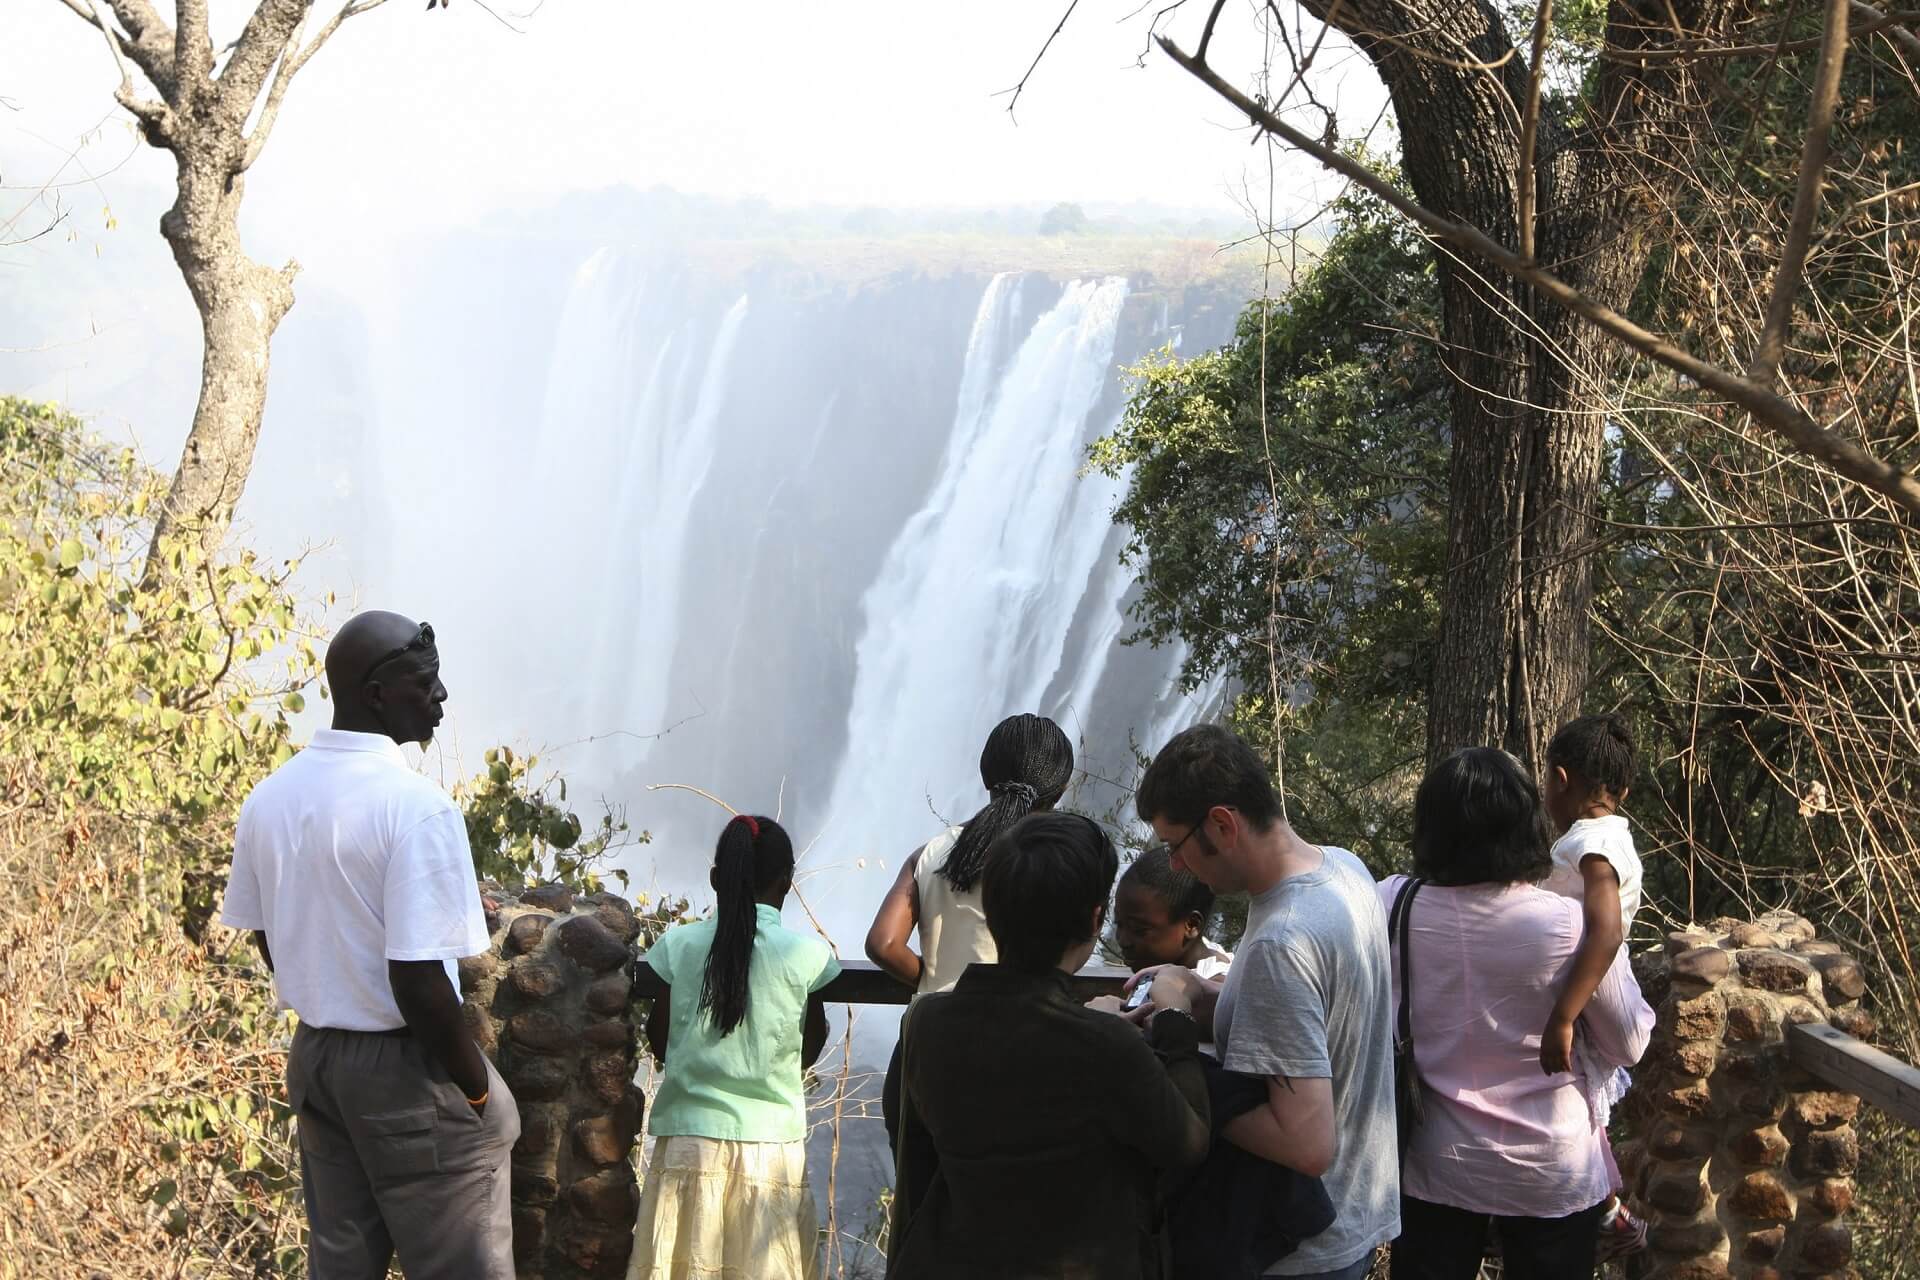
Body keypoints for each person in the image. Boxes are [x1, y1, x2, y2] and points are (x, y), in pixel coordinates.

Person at [219, 611, 521, 1280]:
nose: (441, 697)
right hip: (407, 1073)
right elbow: (417, 980)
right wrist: (476, 1094)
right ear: (377, 695)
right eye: (426, 683)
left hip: (319, 1059)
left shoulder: (269, 800)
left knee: (342, 1267)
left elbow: (269, 932)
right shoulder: (416, 807)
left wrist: (330, 989)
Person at [1127, 723, 1398, 1280]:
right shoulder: (1343, 869)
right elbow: (1315, 1008)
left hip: (1298, 1252)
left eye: (1175, 846)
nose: (1176, 867)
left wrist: (1175, 1051)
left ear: (1222, 824)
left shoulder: (1283, 940)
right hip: (1358, 1214)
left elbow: (1305, 1144)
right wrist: (1206, 994)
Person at [887, 812, 1211, 1279]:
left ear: (994, 911)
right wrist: (1176, 1015)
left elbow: (919, 1152)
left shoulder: (925, 1022)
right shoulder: (1108, 1045)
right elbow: (1188, 1143)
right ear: (1095, 917)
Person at [1382, 747, 1654, 1280]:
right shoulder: (1573, 926)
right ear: (1528, 822)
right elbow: (1629, 1043)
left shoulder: (1394, 903)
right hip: (1552, 1169)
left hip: (1435, 1161)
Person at [630, 814, 839, 1280]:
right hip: (770, 1153)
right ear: (787, 883)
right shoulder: (807, 957)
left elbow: (660, 1036)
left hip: (687, 1146)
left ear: (714, 880)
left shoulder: (678, 945)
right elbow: (811, 1043)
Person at [864, 712, 1074, 1150]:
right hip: (1018, 1049)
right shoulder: (1054, 860)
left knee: (919, 1207)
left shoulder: (932, 852)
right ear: (1060, 789)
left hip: (926, 1049)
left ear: (986, 774)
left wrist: (931, 978)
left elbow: (882, 945)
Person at [1537, 713, 1647, 1257]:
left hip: (1596, 977)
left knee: (1581, 1091)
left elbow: (1602, 929)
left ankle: (1604, 1208)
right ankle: (1608, 1209)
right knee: (1584, 1098)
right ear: (1622, 790)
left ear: (1559, 780)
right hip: (1601, 974)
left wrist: (1562, 1015)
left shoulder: (1586, 844)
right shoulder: (1615, 832)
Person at [1114, 843, 1234, 978]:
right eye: (1118, 923)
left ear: (1191, 925)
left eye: (1139, 929)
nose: (1123, 941)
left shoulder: (1213, 991)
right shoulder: (1176, 963)